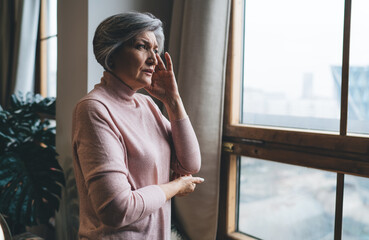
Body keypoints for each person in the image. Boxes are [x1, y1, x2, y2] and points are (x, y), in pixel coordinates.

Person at [71, 12, 204, 239]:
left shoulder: (147, 105)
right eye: (142, 46)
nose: (154, 59)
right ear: (112, 54)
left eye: (155, 50)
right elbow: (116, 209)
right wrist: (175, 187)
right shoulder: (94, 109)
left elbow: (190, 164)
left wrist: (173, 100)